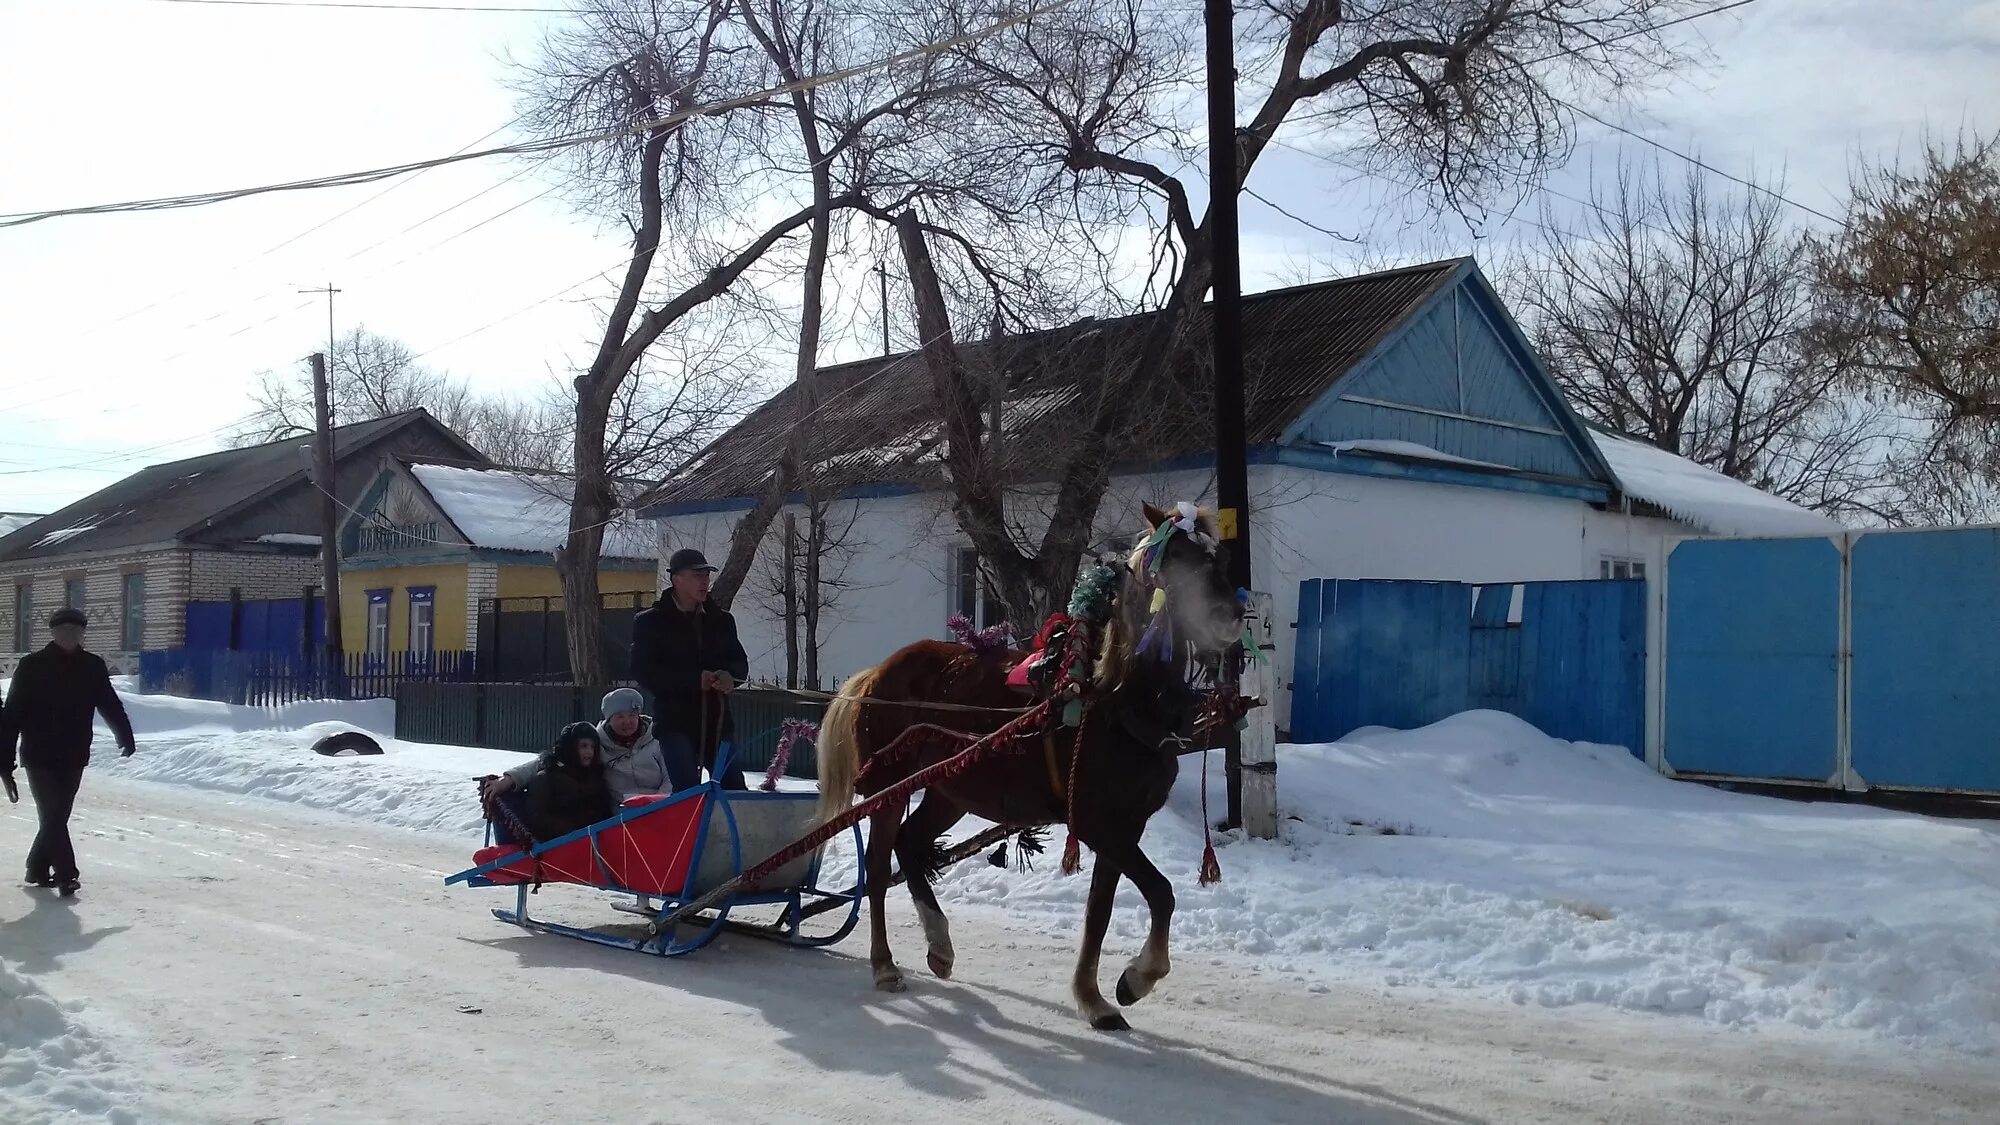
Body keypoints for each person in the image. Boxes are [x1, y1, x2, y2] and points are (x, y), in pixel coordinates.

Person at [1, 608, 138, 895]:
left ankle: (37, 867)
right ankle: (66, 874)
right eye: (63, 630)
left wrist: (124, 733)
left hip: (75, 752)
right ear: (52, 633)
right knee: (52, 813)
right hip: (39, 754)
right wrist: (5, 757)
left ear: (82, 634)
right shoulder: (31, 666)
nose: (69, 635)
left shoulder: (92, 666)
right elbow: (12, 714)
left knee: (56, 815)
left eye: (75, 631)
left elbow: (109, 703)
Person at [631, 548, 750, 791]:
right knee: (687, 791)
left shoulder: (721, 620)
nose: (705, 582)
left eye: (706, 576)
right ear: (677, 580)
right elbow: (644, 672)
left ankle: (732, 831)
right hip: (676, 722)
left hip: (717, 723)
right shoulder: (651, 622)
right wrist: (694, 681)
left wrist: (730, 677)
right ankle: (690, 829)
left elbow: (739, 662)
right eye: (697, 576)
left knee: (734, 789)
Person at [522, 722, 617, 841]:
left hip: (595, 842)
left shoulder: (595, 778)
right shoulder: (547, 778)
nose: (589, 752)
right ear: (570, 747)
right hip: (560, 846)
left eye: (592, 747)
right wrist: (574, 830)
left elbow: (605, 810)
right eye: (583, 746)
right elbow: (538, 818)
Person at [593, 687, 680, 797]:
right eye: (619, 716)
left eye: (632, 715)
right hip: (620, 810)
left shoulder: (657, 739)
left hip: (660, 806)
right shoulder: (597, 745)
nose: (627, 721)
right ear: (609, 720)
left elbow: (670, 778)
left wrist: (656, 804)